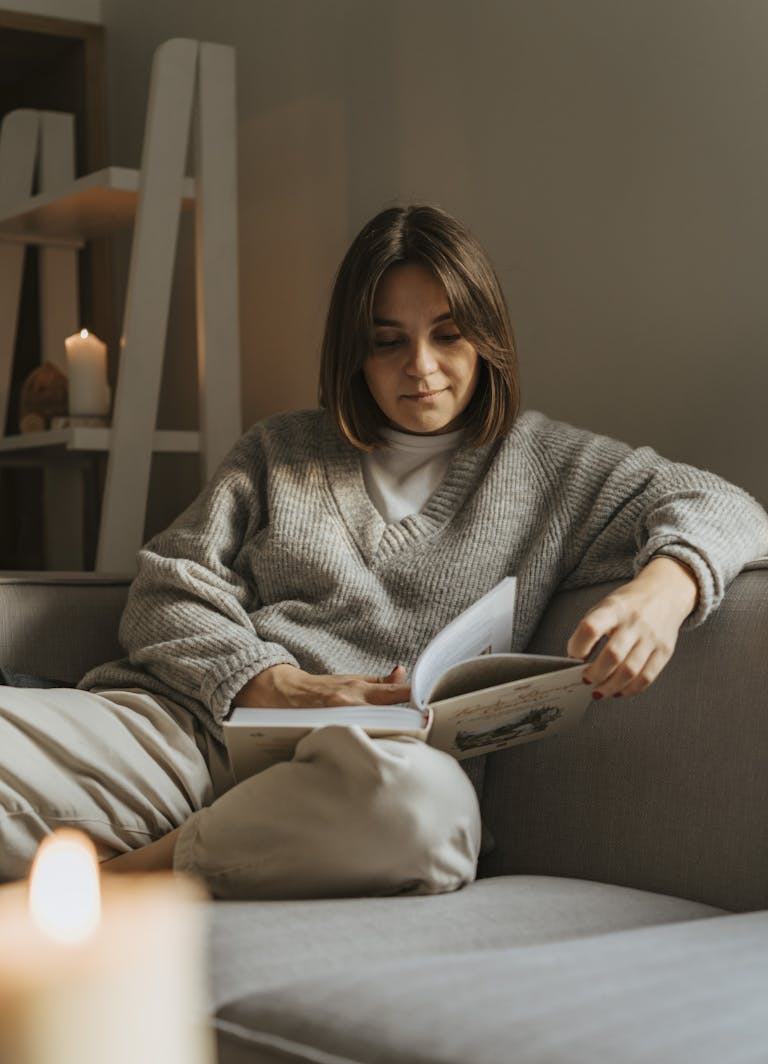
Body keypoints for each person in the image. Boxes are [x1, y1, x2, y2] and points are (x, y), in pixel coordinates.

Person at [2, 204, 767, 897]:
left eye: (448, 334)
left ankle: (126, 879)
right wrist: (283, 686)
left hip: (364, 777)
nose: (421, 368)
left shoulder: (551, 468)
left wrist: (663, 591)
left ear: (487, 336)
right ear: (354, 353)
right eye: (387, 342)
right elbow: (166, 592)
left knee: (431, 819)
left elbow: (728, 506)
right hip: (186, 735)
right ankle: (202, 853)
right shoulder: (281, 448)